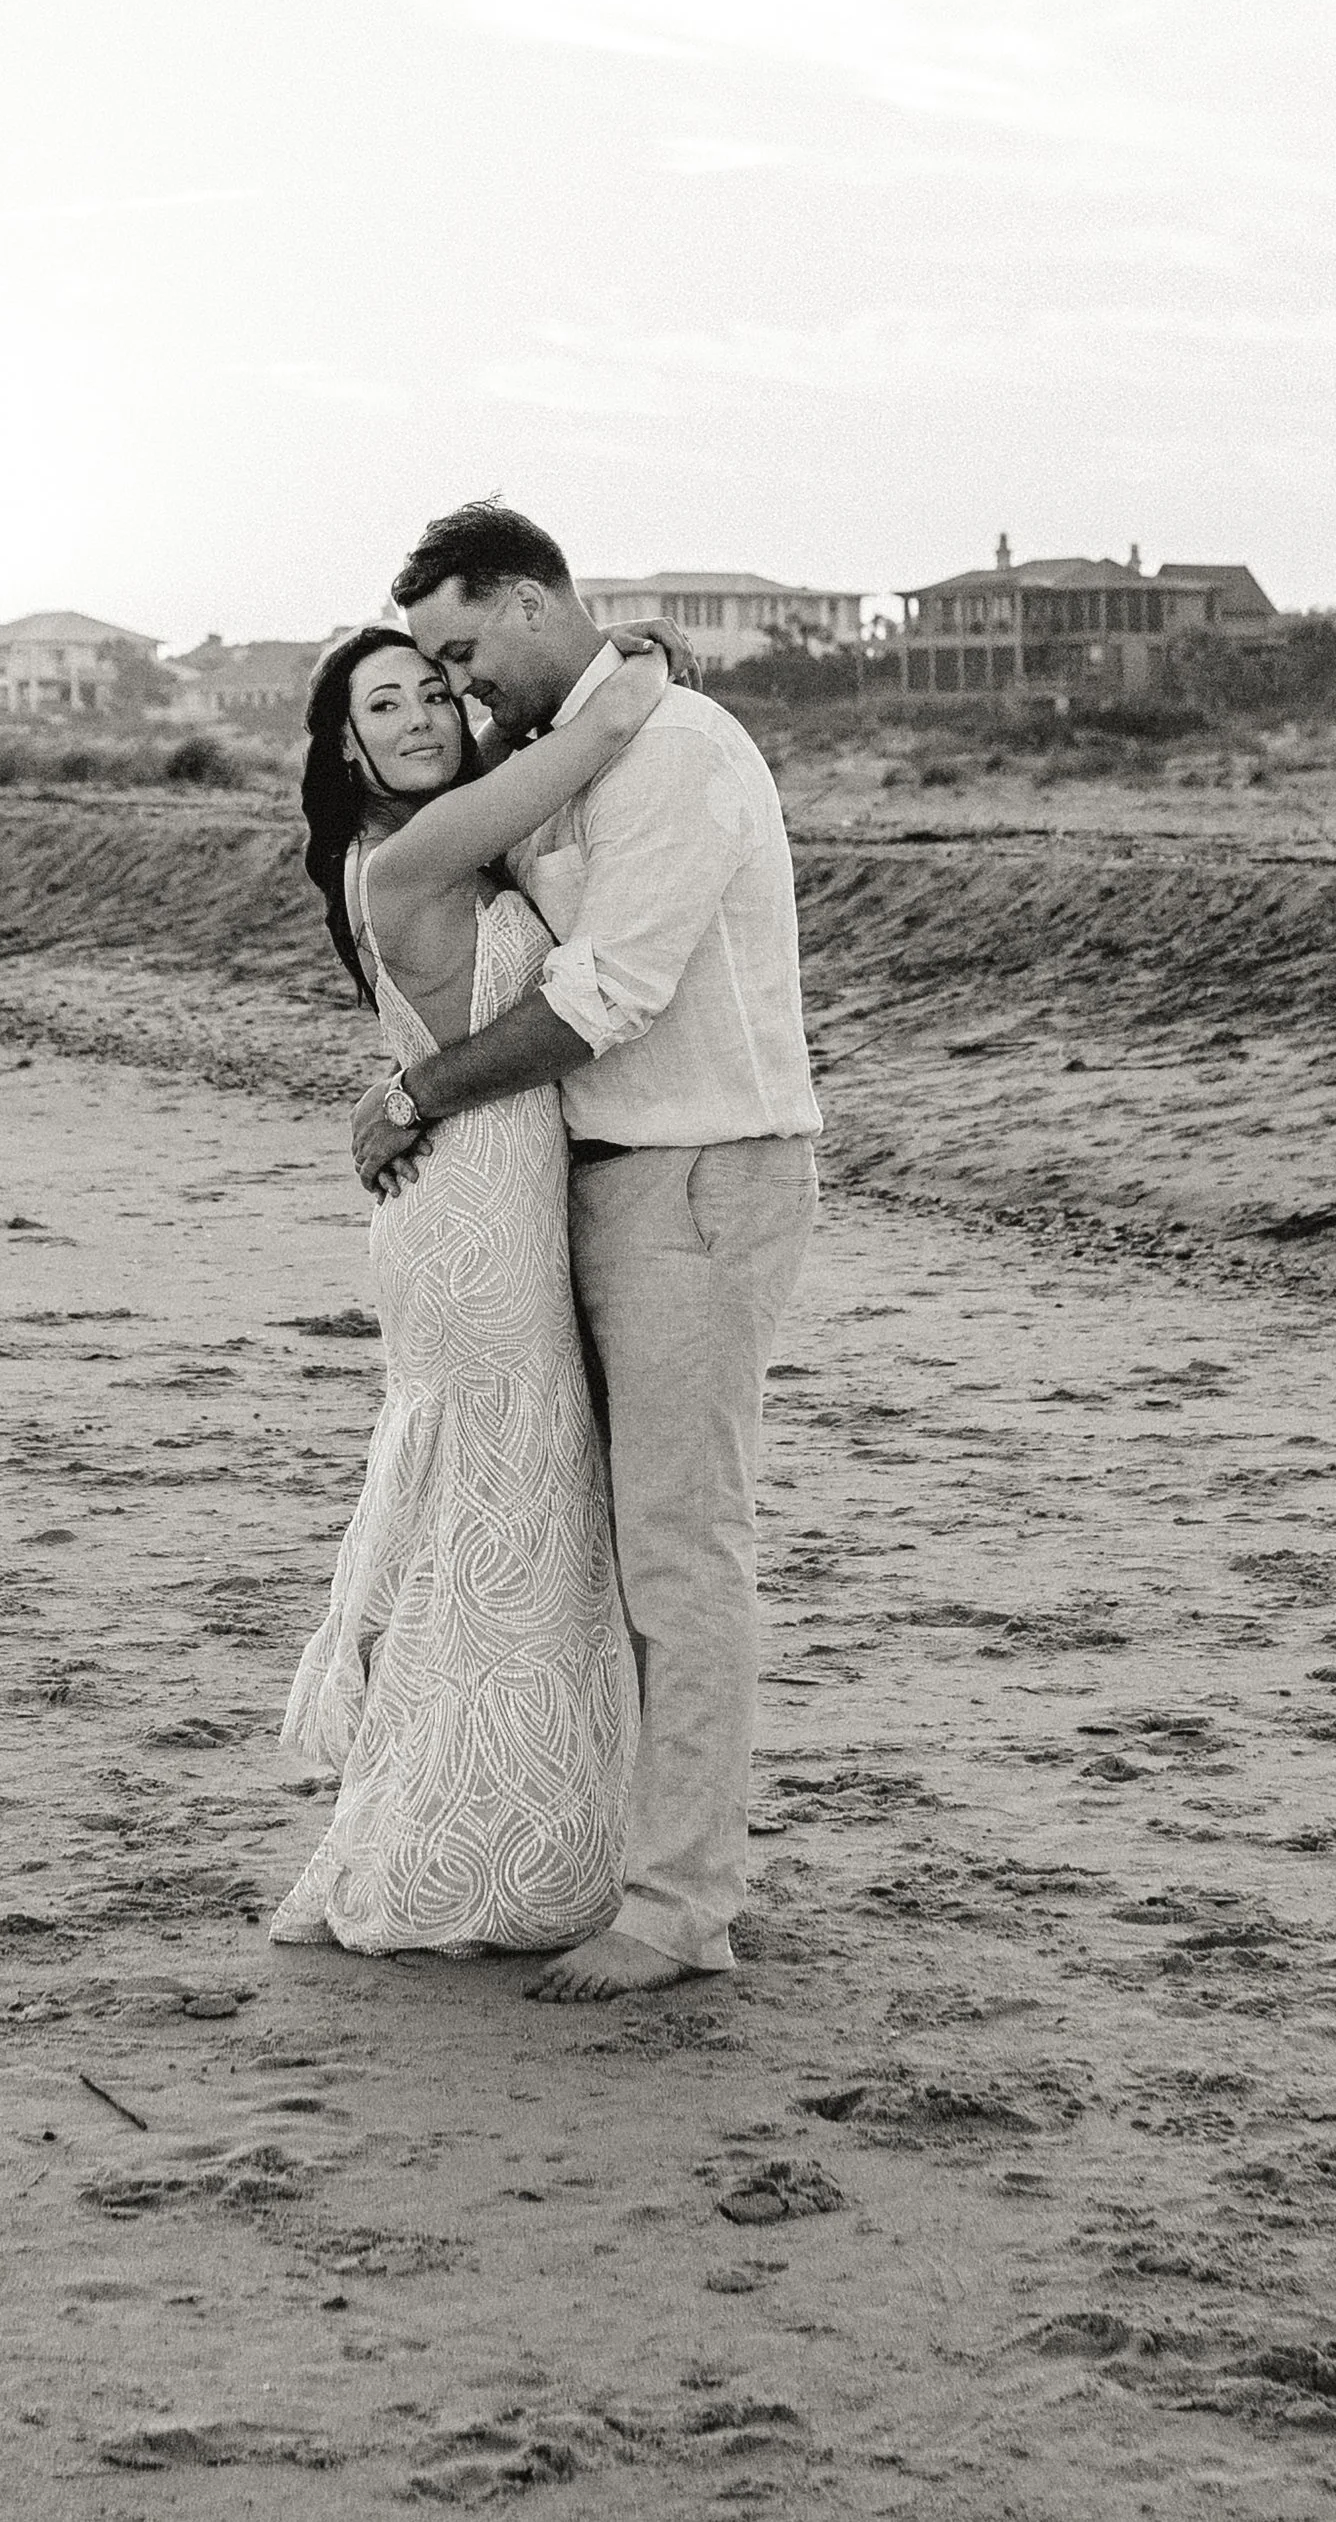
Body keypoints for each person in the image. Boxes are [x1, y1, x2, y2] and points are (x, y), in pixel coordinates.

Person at [350, 500, 821, 2001]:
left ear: (537, 598)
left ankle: (684, 1904)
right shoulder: (594, 744)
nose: (464, 689)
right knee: (618, 1552)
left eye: (467, 650)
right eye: (431, 671)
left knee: (683, 1554)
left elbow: (606, 992)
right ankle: (624, 1850)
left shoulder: (675, 752)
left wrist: (421, 1087)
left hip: (697, 1171)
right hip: (609, 1180)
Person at [271, 620, 671, 1957]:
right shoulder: (403, 855)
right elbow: (595, 738)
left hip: (493, 1191)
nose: (423, 714)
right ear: (346, 742)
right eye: (385, 702)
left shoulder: (451, 835)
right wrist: (641, 663)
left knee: (513, 1510)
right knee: (497, 1510)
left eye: (438, 691)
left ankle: (518, 1817)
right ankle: (450, 1835)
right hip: (468, 1218)